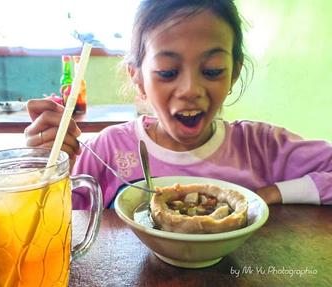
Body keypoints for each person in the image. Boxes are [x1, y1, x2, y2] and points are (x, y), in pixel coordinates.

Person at [25, 0, 332, 209]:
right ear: (138, 78)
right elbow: (54, 225)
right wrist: (43, 166)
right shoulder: (108, 151)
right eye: (167, 73)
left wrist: (269, 195)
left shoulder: (262, 147)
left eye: (212, 71)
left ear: (235, 72)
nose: (190, 90)